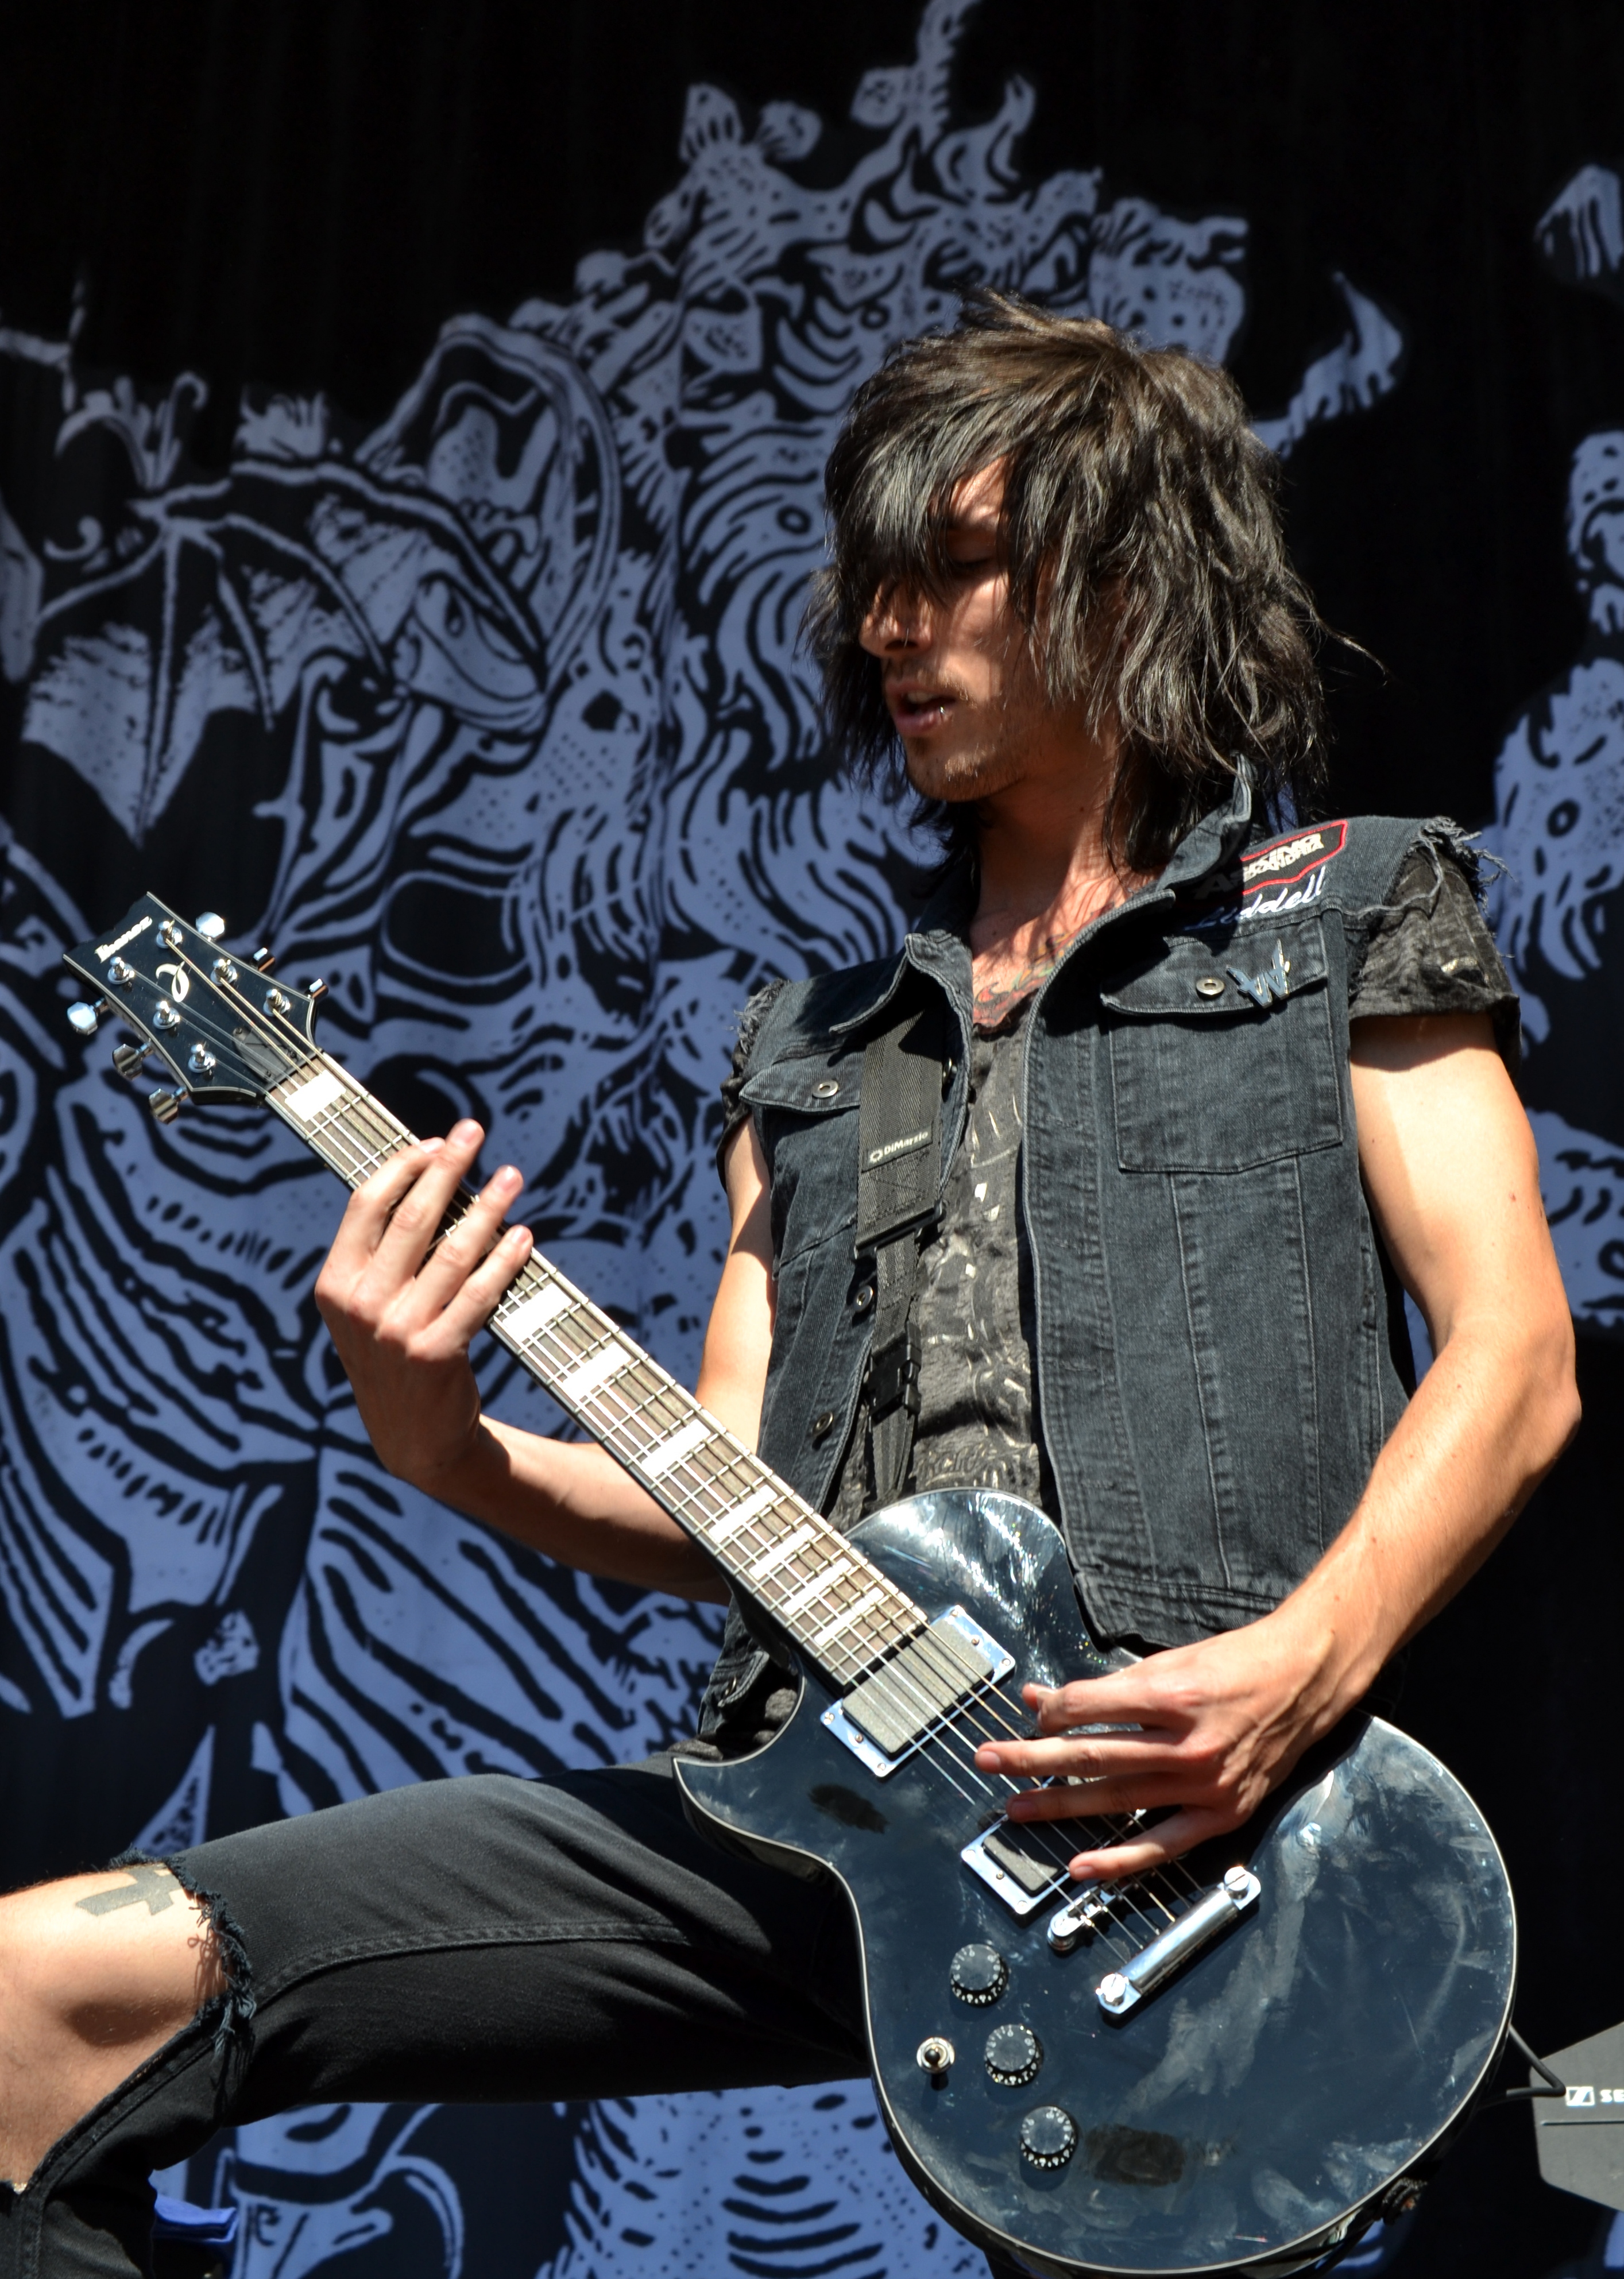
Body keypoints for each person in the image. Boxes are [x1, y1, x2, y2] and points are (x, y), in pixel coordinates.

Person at [0, 296, 1579, 2279]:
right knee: (41, 1995)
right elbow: (736, 1500)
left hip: (1200, 1843)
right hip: (813, 1809)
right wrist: (438, 1439)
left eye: (952, 565)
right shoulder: (814, 1050)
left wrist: (1299, 1668)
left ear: (1127, 570)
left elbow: (1515, 1354)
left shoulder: (1335, 910)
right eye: (870, 580)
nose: (888, 625)